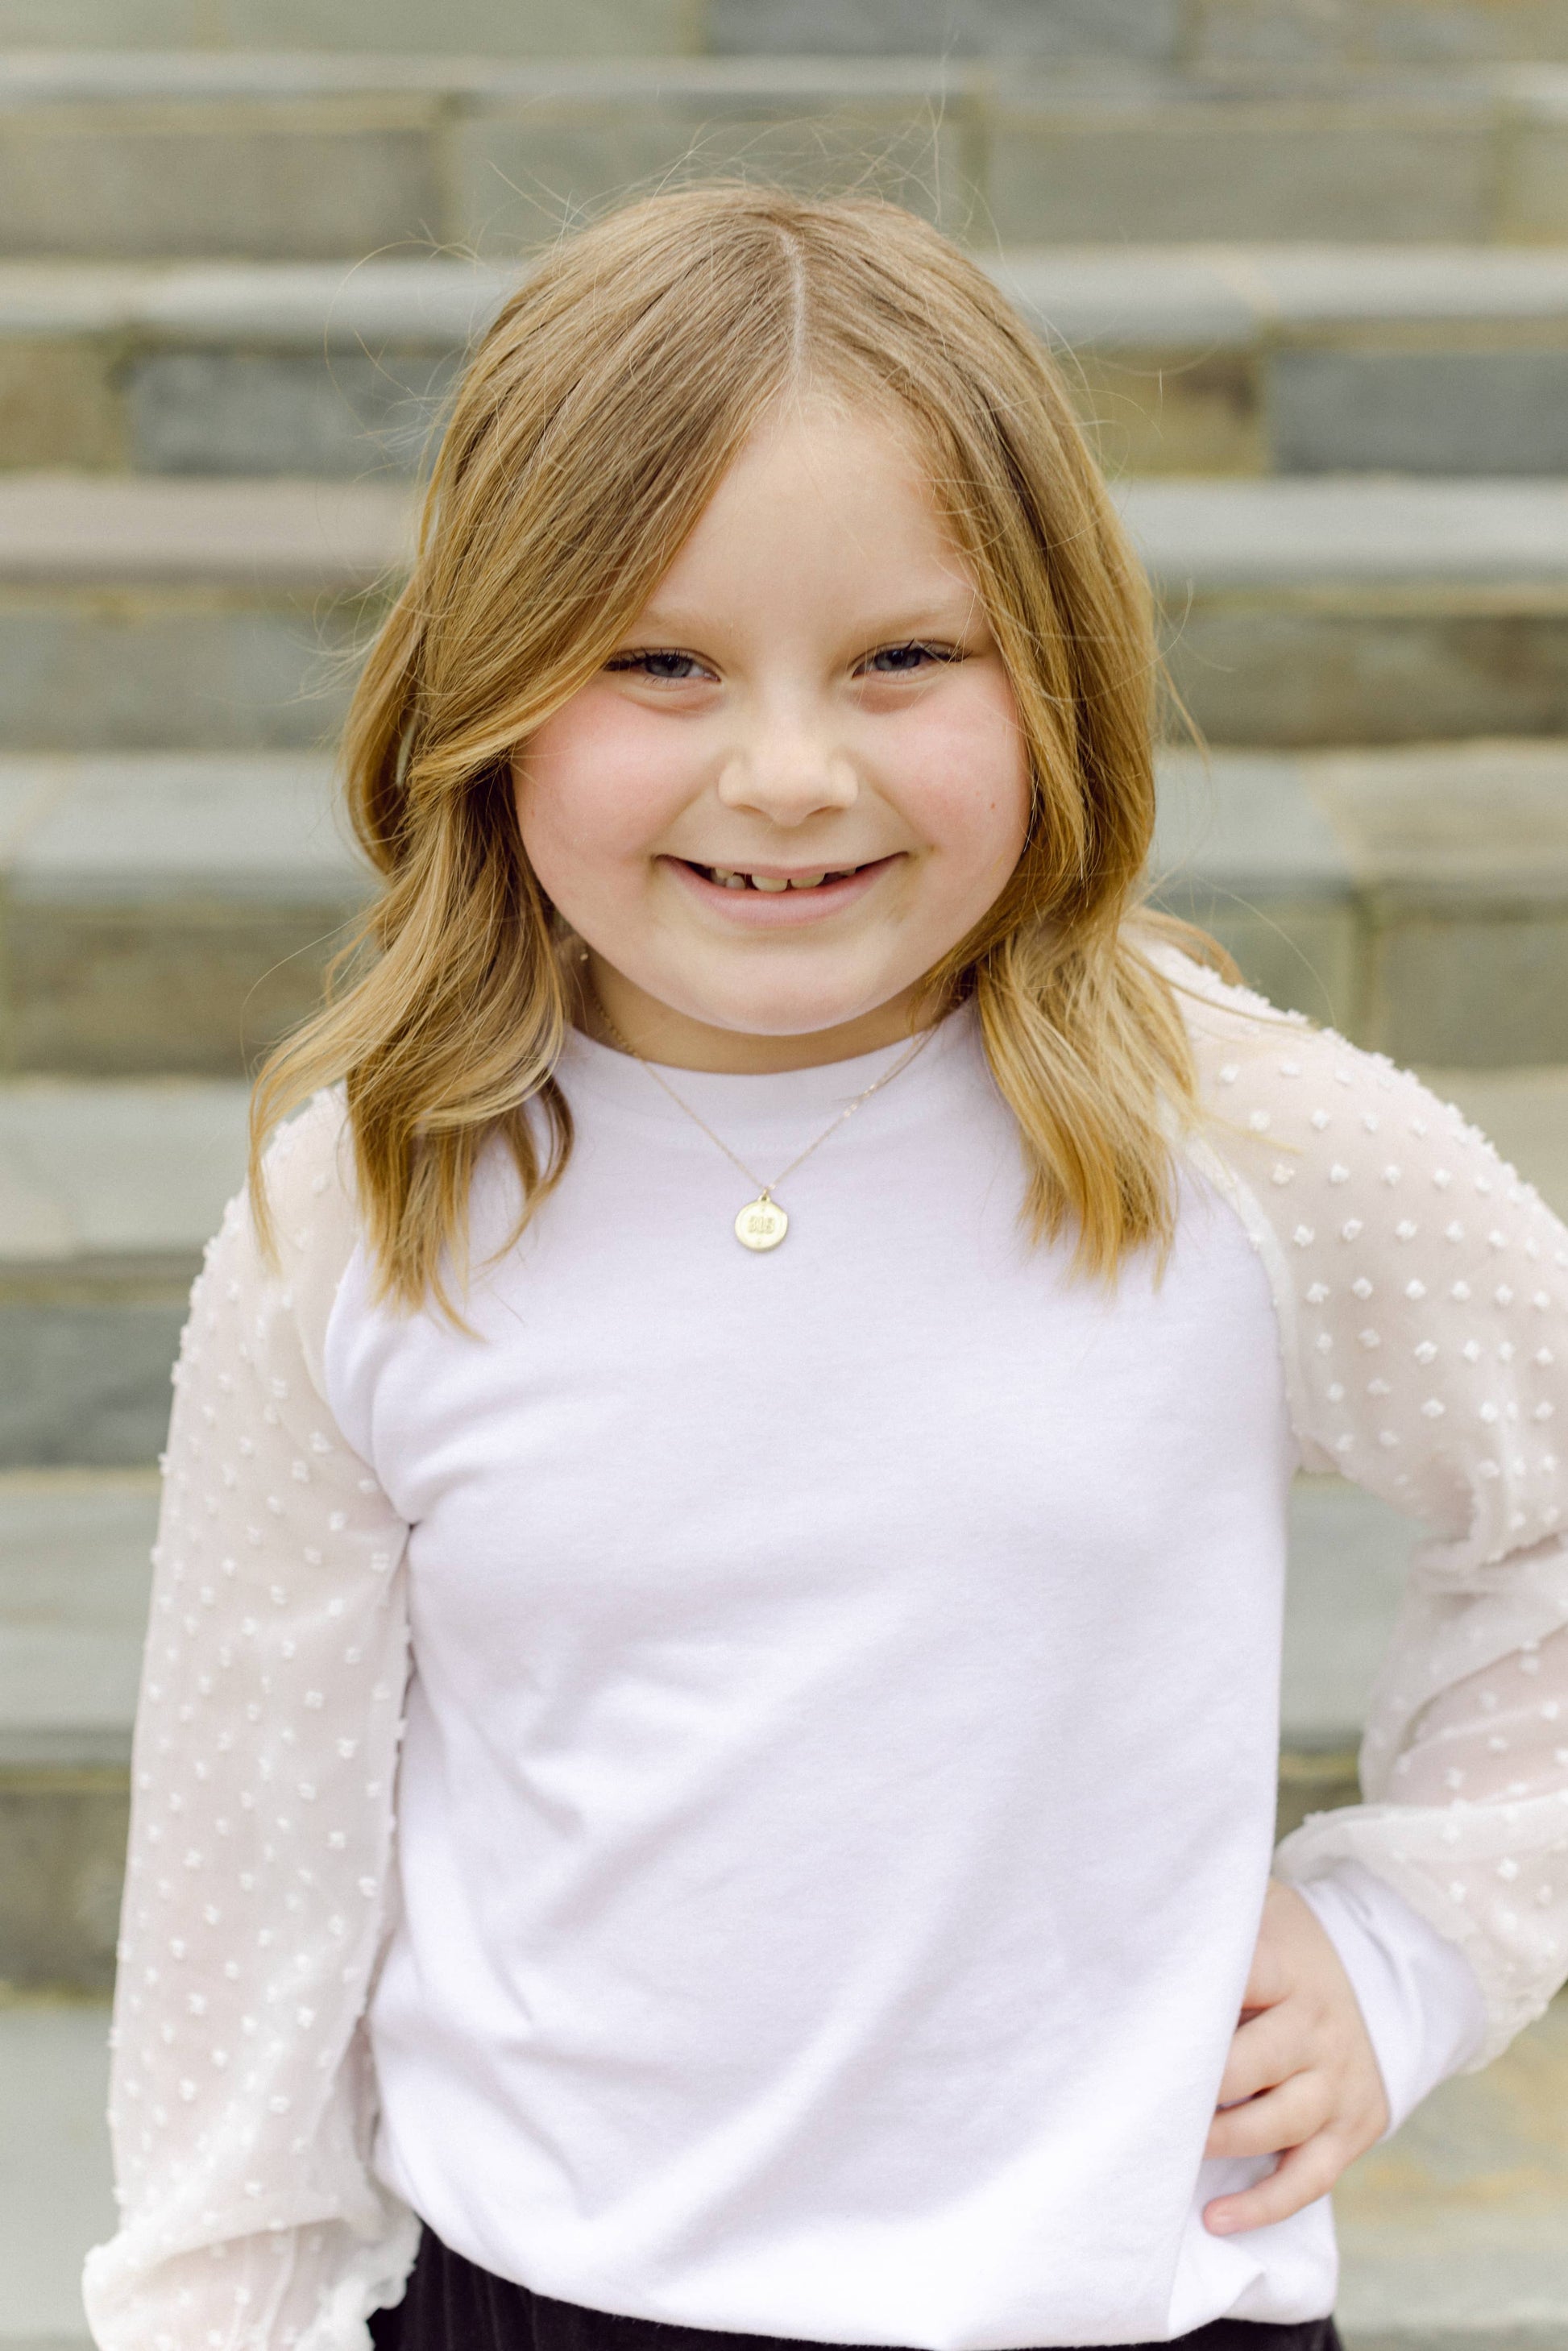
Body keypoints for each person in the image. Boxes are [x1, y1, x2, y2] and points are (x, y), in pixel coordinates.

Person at [83, 186, 1568, 2351]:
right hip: (542, 2301)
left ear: (1053, 674)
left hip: (1123, 2309)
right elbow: (248, 1894)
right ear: (488, 688)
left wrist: (1416, 1933)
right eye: (658, 662)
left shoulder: (1234, 1144)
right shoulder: (369, 1210)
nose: (787, 776)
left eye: (903, 658)